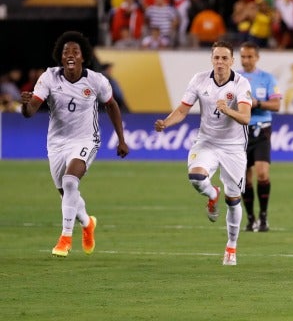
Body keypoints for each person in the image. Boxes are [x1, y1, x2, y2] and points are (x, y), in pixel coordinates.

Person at [20, 31, 129, 257]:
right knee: (66, 193)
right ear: (60, 58)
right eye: (66, 52)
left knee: (70, 182)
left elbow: (112, 105)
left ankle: (65, 238)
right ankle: (87, 223)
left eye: (75, 51)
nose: (70, 55)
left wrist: (121, 138)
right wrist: (26, 105)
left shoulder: (96, 81)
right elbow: (31, 111)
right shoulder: (49, 77)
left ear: (82, 57)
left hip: (86, 139)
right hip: (57, 143)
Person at [154, 41, 251, 266]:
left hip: (233, 147)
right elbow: (182, 109)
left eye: (224, 58)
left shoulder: (241, 83)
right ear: (212, 60)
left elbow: (246, 117)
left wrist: (227, 109)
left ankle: (231, 247)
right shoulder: (199, 80)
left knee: (234, 199)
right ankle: (211, 193)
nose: (220, 62)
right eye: (216, 58)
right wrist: (166, 123)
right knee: (196, 177)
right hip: (206, 141)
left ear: (232, 61)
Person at [238, 41, 282, 232]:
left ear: (257, 57)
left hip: (262, 130)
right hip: (240, 131)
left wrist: (256, 104)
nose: (246, 60)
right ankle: (250, 218)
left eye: (250, 56)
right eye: (243, 57)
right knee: (245, 179)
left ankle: (263, 217)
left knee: (262, 174)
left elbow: (276, 106)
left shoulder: (268, 79)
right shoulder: (235, 78)